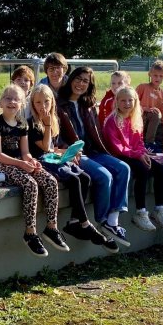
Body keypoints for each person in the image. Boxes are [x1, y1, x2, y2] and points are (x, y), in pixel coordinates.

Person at [27, 84, 112, 249]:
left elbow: (53, 147)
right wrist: (47, 125)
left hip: (53, 158)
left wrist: (68, 152)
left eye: (46, 102)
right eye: (38, 103)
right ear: (32, 104)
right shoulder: (33, 123)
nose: (43, 106)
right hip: (41, 161)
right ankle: (85, 222)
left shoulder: (54, 120)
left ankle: (74, 220)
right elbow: (44, 148)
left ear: (52, 102)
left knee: (85, 177)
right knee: (73, 180)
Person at [0, 85, 69, 257]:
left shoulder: (22, 124)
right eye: (8, 98)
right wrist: (21, 164)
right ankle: (30, 232)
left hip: (18, 162)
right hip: (0, 164)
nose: (12, 102)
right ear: (1, 102)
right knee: (30, 184)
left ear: (22, 103)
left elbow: (25, 152)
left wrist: (31, 161)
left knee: (49, 180)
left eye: (16, 99)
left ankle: (51, 227)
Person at [57, 66, 131, 250]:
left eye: (85, 81)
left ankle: (113, 220)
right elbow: (57, 137)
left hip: (92, 151)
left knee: (123, 168)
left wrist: (109, 152)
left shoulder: (88, 106)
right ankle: (102, 220)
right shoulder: (59, 104)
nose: (80, 84)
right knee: (104, 176)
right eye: (78, 79)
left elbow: (96, 134)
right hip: (74, 153)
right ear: (71, 78)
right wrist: (69, 150)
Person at [102, 86, 163, 232]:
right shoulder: (112, 121)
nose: (127, 103)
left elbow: (139, 141)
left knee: (159, 168)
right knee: (143, 170)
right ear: (117, 101)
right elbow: (116, 147)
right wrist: (138, 155)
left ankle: (160, 208)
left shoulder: (135, 118)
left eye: (130, 100)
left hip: (135, 154)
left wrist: (142, 153)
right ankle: (141, 211)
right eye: (123, 100)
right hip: (119, 156)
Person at [136, 60, 163, 146]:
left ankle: (151, 144)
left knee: (157, 115)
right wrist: (144, 108)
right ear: (149, 74)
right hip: (140, 116)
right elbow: (133, 103)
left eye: (161, 76)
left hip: (154, 121)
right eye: (155, 75)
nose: (158, 78)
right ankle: (145, 142)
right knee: (154, 114)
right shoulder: (142, 87)